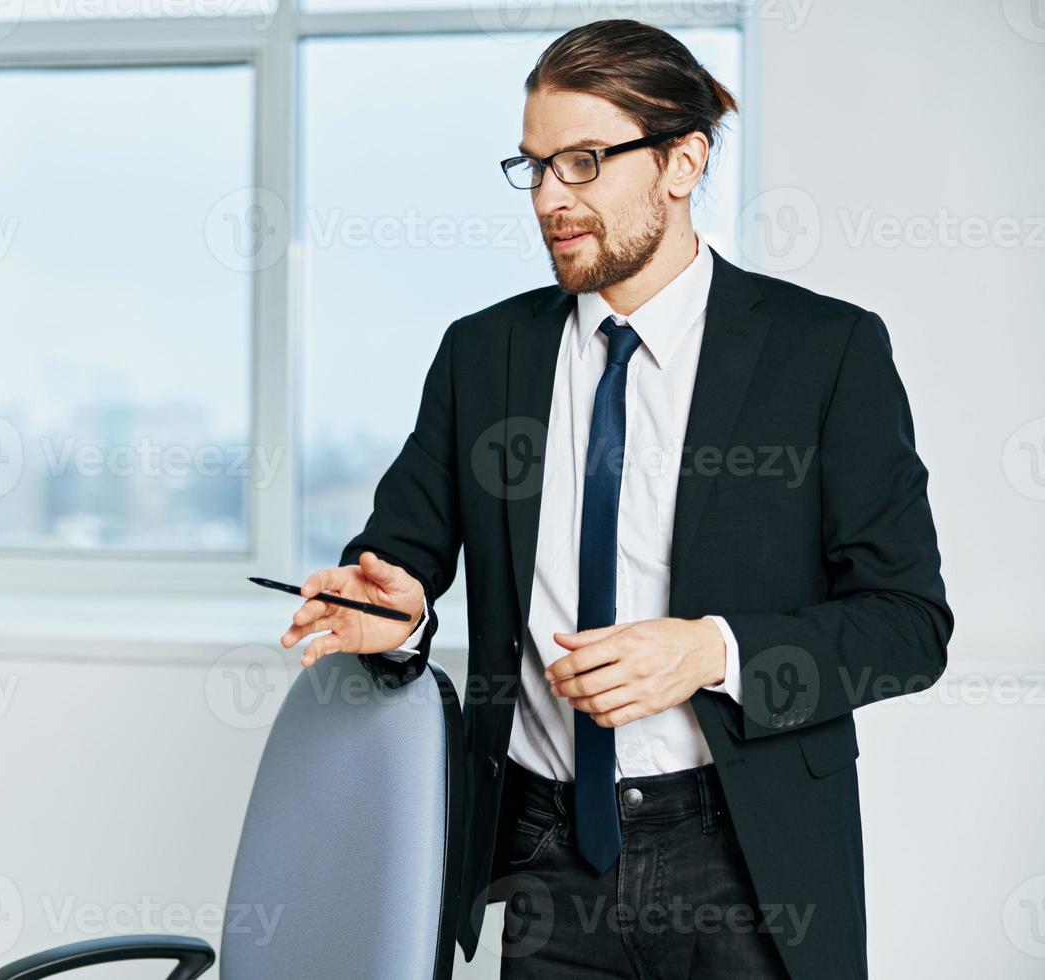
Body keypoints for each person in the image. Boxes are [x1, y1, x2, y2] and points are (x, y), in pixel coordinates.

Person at [277, 19, 952, 980]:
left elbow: (909, 624)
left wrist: (710, 649)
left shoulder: (825, 354)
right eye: (536, 166)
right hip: (549, 861)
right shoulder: (485, 354)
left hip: (748, 865)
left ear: (683, 162)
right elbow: (402, 557)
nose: (552, 197)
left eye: (586, 162)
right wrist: (392, 613)